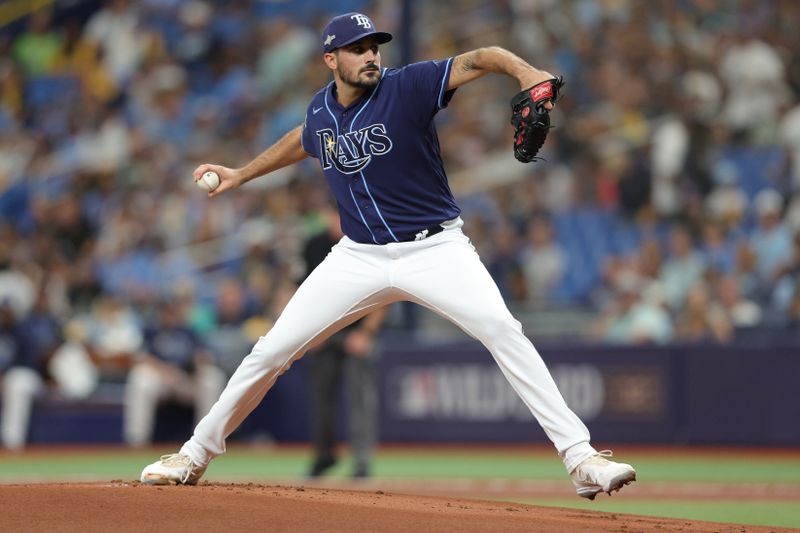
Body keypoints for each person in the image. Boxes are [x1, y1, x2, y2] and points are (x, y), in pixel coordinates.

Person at [141, 12, 636, 500]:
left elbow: (483, 58)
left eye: (374, 46)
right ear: (331, 59)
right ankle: (193, 455)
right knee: (271, 350)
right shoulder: (321, 110)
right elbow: (304, 138)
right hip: (358, 257)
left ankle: (580, 458)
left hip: (435, 248)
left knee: (504, 331)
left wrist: (527, 74)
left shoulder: (409, 86)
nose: (370, 55)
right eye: (358, 48)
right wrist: (242, 173)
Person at [303, 204, 386, 479]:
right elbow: (301, 289)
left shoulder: (370, 238)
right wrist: (310, 333)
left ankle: (362, 461)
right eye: (332, 213)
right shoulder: (314, 245)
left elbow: (386, 292)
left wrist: (367, 334)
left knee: (359, 401)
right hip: (326, 332)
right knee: (320, 399)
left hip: (357, 333)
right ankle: (323, 456)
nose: (335, 219)